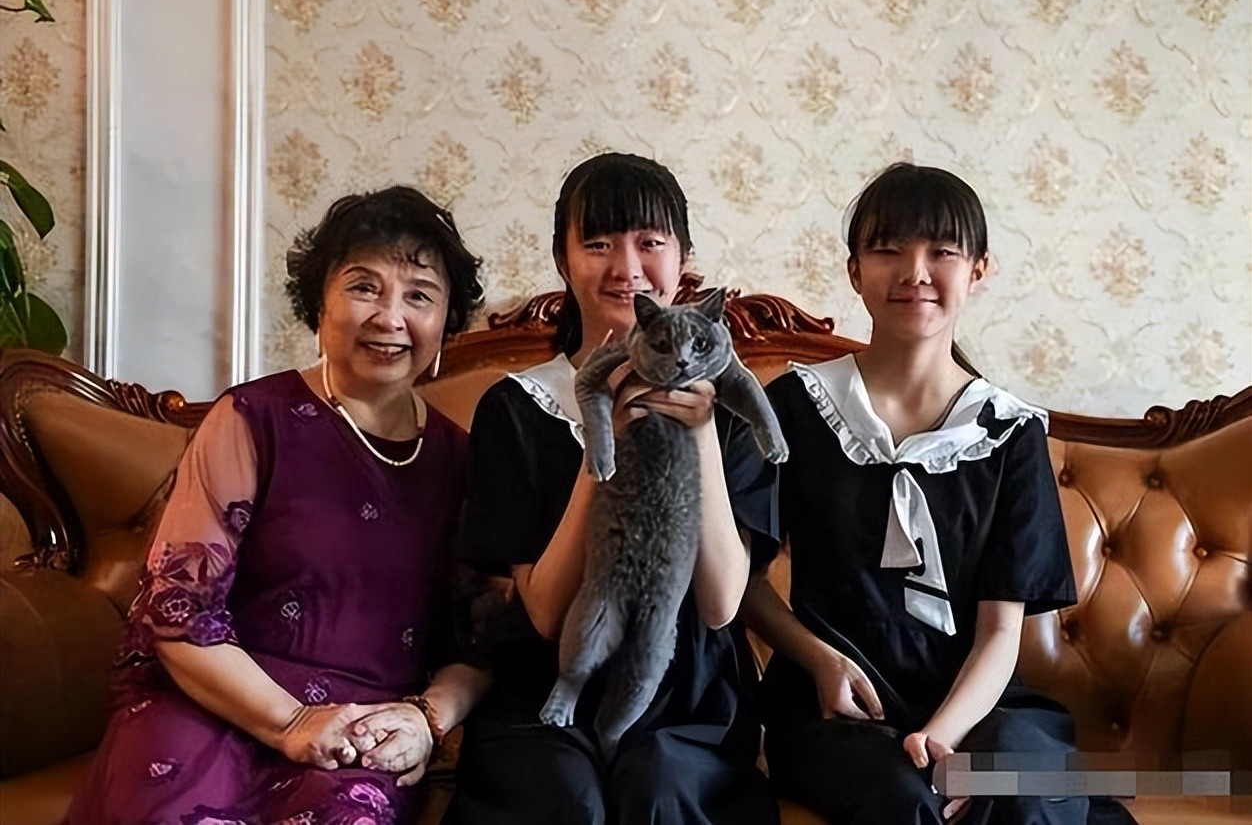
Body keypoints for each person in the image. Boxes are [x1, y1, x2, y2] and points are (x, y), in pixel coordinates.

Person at [67, 186, 491, 825]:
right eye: (364, 287)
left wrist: (427, 719)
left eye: (419, 296)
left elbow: (482, 639)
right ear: (319, 303)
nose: (390, 317)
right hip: (213, 700)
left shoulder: (463, 458)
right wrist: (290, 721)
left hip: (360, 730)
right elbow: (178, 613)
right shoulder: (253, 419)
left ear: (446, 322)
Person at [743, 163, 1135, 824]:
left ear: (979, 270)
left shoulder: (1008, 433)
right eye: (887, 249)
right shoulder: (795, 406)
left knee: (1021, 793)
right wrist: (817, 660)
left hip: (978, 699)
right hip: (837, 702)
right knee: (904, 801)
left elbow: (1000, 631)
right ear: (854, 271)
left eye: (942, 252)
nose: (914, 272)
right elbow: (743, 582)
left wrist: (943, 736)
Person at [444, 152, 780, 825]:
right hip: (547, 684)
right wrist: (603, 444)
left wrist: (701, 432)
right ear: (563, 261)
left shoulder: (738, 414)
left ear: (682, 259)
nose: (627, 267)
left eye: (650, 243)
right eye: (598, 244)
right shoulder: (516, 408)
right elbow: (545, 614)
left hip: (688, 692)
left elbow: (720, 606)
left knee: (658, 789)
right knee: (566, 800)